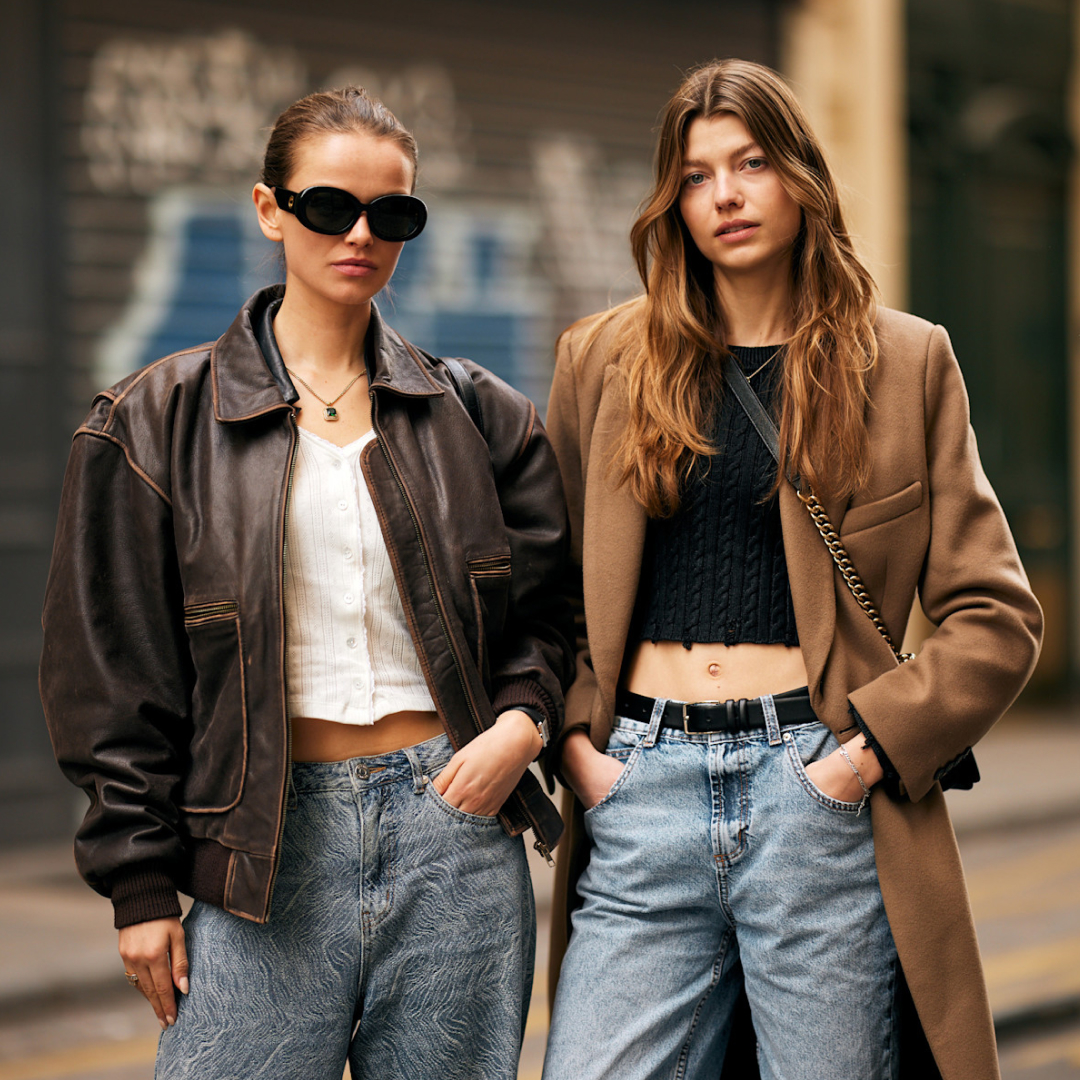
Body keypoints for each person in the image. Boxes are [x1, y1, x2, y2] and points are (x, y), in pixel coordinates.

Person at [40, 86, 573, 1080]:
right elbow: (109, 678)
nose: (361, 234)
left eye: (393, 215)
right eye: (329, 206)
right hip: (261, 848)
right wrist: (140, 887)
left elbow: (557, 614)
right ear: (268, 207)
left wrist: (522, 724)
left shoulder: (483, 418)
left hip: (455, 833)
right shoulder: (151, 423)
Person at [540, 59, 1042, 1080]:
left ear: (801, 178)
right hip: (640, 792)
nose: (724, 195)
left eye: (751, 163)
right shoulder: (601, 362)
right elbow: (541, 591)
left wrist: (860, 760)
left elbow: (996, 614)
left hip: (816, 799)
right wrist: (581, 747)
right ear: (670, 202)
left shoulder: (903, 363)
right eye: (695, 175)